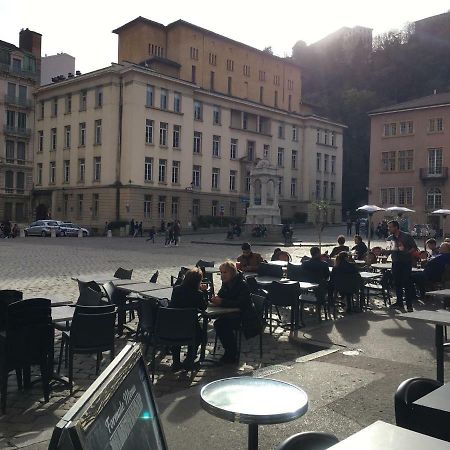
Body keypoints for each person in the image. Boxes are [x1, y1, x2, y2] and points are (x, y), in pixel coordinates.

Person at [211, 261, 259, 363]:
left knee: (221, 325)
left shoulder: (242, 284)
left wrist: (222, 302)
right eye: (221, 273)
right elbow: (221, 295)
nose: (222, 275)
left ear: (232, 273)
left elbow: (241, 303)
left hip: (246, 317)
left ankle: (231, 353)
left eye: (225, 272)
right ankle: (230, 352)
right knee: (219, 323)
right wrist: (215, 300)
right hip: (232, 314)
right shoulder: (227, 283)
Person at [170, 268, 208, 370]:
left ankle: (176, 362)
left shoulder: (176, 289)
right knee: (200, 335)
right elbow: (204, 307)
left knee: (176, 336)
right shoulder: (198, 294)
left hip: (174, 325)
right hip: (191, 327)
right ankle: (190, 358)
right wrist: (204, 291)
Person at [386, 220, 418, 312]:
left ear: (396, 227)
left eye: (390, 227)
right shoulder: (390, 238)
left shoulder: (406, 236)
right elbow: (389, 250)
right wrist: (386, 251)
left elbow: (414, 247)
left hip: (406, 262)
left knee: (406, 283)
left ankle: (409, 305)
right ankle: (399, 303)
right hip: (396, 262)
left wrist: (407, 252)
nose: (389, 229)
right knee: (397, 283)